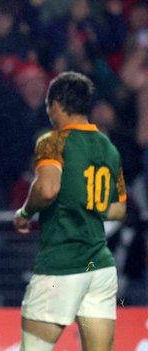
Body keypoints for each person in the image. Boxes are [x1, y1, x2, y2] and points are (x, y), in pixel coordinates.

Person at [13, 71, 127, 351]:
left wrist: (25, 213)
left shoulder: (52, 141)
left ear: (56, 104)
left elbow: (47, 189)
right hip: (99, 267)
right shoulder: (107, 147)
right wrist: (86, 201)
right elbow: (117, 209)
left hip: (61, 263)